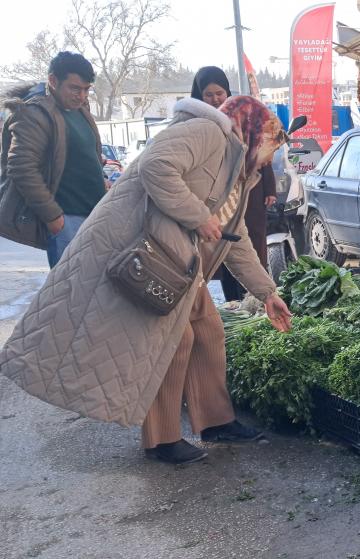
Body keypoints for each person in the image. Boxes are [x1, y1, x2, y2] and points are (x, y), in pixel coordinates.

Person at [1, 95, 293, 465]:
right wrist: (198, 215)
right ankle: (162, 440)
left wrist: (267, 293)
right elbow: (156, 165)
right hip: (151, 251)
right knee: (174, 341)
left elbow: (235, 239)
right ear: (254, 132)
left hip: (183, 264)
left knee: (208, 332)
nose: (270, 159)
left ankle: (216, 423)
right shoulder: (207, 132)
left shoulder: (240, 168)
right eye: (271, 147)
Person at [0, 52, 106, 267]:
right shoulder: (34, 113)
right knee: (71, 295)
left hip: (94, 216)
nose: (82, 95)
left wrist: (101, 181)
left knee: (95, 293)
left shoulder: (81, 111)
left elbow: (82, 159)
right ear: (53, 81)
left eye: (87, 89)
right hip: (67, 221)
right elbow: (21, 168)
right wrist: (54, 219)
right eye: (75, 88)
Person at [191, 66, 277, 299]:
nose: (215, 99)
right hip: (209, 203)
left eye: (219, 93)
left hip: (247, 195)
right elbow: (158, 171)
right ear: (199, 96)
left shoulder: (243, 117)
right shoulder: (196, 129)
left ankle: (252, 296)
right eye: (208, 95)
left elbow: (264, 155)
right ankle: (233, 298)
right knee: (221, 246)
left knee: (243, 243)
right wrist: (199, 215)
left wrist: (270, 188)